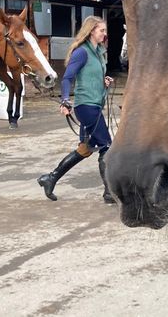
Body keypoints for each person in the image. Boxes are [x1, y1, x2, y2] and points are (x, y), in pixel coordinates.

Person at [37, 16, 114, 203]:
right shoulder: (82, 52)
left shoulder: (98, 53)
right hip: (86, 106)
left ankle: (51, 178)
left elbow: (90, 76)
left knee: (85, 148)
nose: (104, 34)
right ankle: (109, 192)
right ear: (91, 31)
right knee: (107, 146)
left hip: (95, 103)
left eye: (104, 31)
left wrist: (103, 82)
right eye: (101, 30)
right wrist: (64, 101)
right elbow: (67, 78)